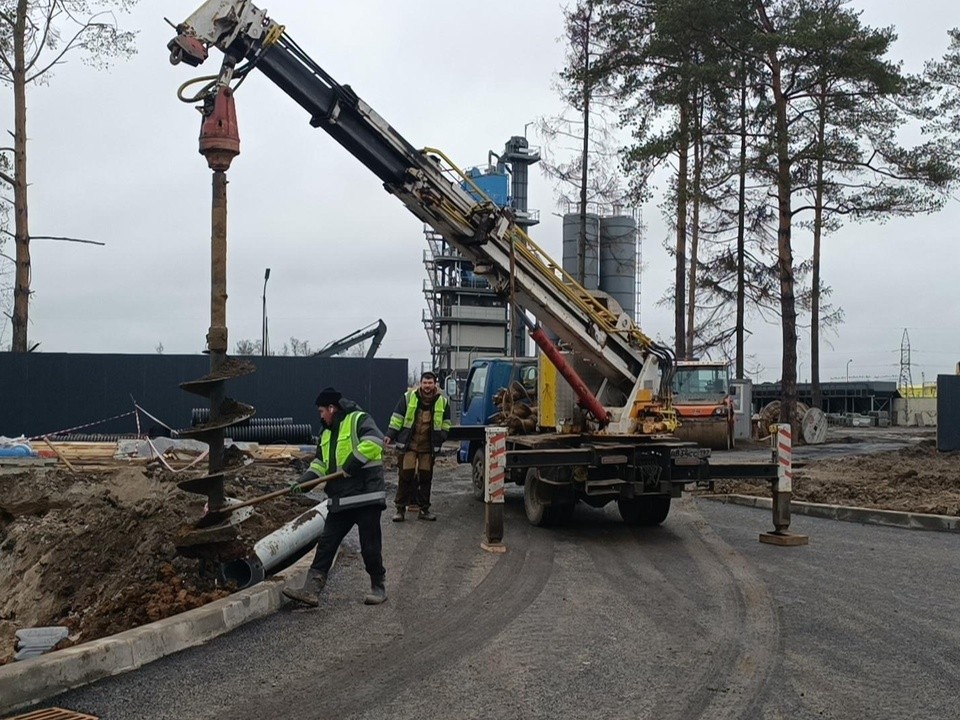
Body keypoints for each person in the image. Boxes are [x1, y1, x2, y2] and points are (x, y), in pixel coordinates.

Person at [282, 387, 388, 607]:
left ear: (332, 408)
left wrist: (353, 462)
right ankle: (311, 590)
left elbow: (375, 441)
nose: (320, 415)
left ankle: (378, 586)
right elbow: (321, 464)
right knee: (326, 544)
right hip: (340, 499)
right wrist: (304, 483)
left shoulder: (359, 419)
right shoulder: (326, 433)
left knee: (369, 547)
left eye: (322, 410)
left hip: (366, 496)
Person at [383, 371, 452, 522]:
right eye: (425, 383)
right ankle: (400, 509)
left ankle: (424, 510)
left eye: (430, 383)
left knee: (426, 478)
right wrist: (390, 434)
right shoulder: (408, 397)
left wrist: (442, 437)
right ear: (420, 384)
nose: (427, 386)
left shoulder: (442, 401)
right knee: (405, 475)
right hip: (409, 445)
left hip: (428, 447)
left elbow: (447, 422)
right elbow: (397, 418)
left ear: (435, 384)